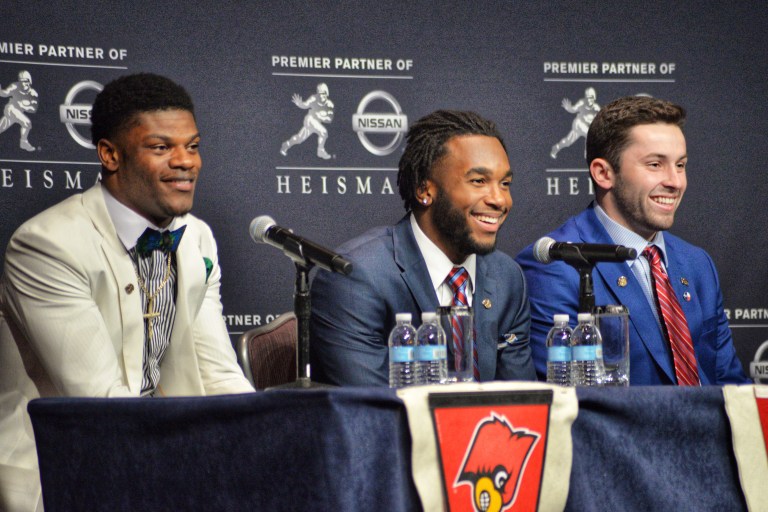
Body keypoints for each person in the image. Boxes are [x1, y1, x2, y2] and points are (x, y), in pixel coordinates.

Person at [0, 73, 254, 512]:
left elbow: (217, 371)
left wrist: (268, 438)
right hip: (65, 468)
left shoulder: (197, 238)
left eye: (192, 146)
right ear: (110, 155)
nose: (185, 162)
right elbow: (100, 404)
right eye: (161, 148)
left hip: (161, 451)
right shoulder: (47, 244)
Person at [516, 96, 750, 385]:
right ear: (603, 173)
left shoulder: (697, 263)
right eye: (655, 164)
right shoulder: (556, 264)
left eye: (680, 165)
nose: (675, 182)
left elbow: (730, 383)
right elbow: (568, 404)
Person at [310, 110, 536, 386]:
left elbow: (521, 403)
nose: (500, 200)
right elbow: (374, 409)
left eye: (505, 184)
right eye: (479, 181)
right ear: (424, 191)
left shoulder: (507, 278)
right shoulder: (355, 278)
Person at [0, 70, 39, 152]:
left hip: (18, 112)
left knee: (2, 126)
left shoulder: (33, 93)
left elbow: (33, 109)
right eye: (21, 81)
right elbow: (5, 93)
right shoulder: (15, 86)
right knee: (27, 123)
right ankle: (23, 142)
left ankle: (23, 142)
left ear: (29, 81)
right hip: (11, 109)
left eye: (25, 81)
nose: (23, 83)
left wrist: (23, 106)